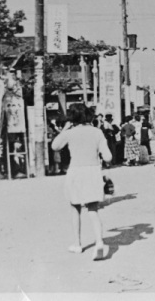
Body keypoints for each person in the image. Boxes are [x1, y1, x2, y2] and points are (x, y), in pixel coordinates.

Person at [51, 103, 112, 260]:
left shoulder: (70, 133)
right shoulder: (97, 132)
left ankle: (77, 244)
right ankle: (99, 242)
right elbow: (108, 157)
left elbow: (55, 146)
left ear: (71, 118)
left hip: (76, 172)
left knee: (75, 208)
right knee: (93, 210)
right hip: (92, 172)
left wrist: (65, 128)